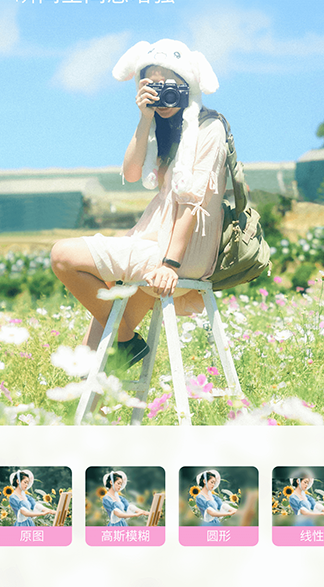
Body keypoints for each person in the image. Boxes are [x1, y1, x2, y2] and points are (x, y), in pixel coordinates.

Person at [51, 39, 227, 367]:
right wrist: (145, 117)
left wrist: (170, 265)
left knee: (62, 255)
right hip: (153, 243)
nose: (162, 94)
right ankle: (114, 360)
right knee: (96, 353)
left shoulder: (208, 128)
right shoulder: (164, 129)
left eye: (169, 84)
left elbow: (192, 203)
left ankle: (127, 340)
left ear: (188, 83)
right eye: (153, 85)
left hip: (179, 251)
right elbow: (132, 173)